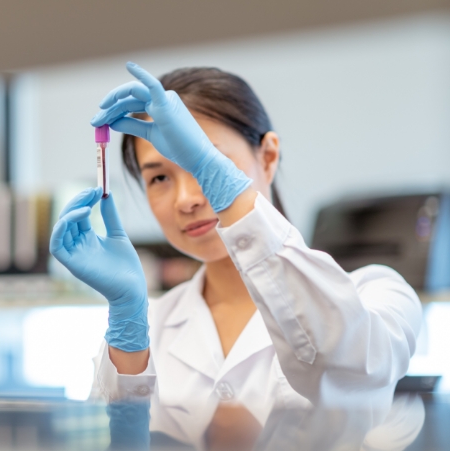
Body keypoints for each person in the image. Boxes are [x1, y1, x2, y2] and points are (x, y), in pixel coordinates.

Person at [49, 63, 422, 424]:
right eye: (160, 177)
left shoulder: (377, 294)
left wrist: (225, 187)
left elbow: (345, 369)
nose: (186, 199)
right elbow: (117, 437)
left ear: (269, 156)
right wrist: (127, 318)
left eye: (204, 162)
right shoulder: (149, 326)